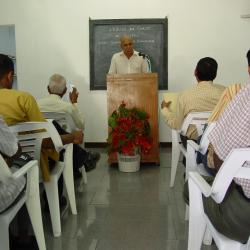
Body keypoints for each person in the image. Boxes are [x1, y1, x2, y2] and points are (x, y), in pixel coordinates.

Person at [0, 54, 83, 211]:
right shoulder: (23, 98)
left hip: (4, 165)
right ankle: (54, 203)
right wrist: (72, 137)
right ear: (10, 75)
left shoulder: (36, 101)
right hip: (30, 161)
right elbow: (45, 139)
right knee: (59, 153)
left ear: (47, 89)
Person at [184, 49, 250, 243]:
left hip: (241, 216)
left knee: (192, 183)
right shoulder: (227, 91)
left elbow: (220, 153)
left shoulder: (241, 95)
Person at [37, 74, 100, 176]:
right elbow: (81, 124)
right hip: (64, 144)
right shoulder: (68, 107)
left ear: (48, 89)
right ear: (65, 90)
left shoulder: (36, 104)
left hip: (41, 143)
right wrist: (74, 102)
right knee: (76, 134)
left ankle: (81, 160)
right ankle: (81, 160)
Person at [161, 57, 225, 144]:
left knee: (184, 130)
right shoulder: (226, 92)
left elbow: (177, 125)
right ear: (215, 74)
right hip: (219, 140)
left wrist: (165, 110)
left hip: (193, 141)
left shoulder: (185, 95)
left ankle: (190, 156)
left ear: (195, 72)